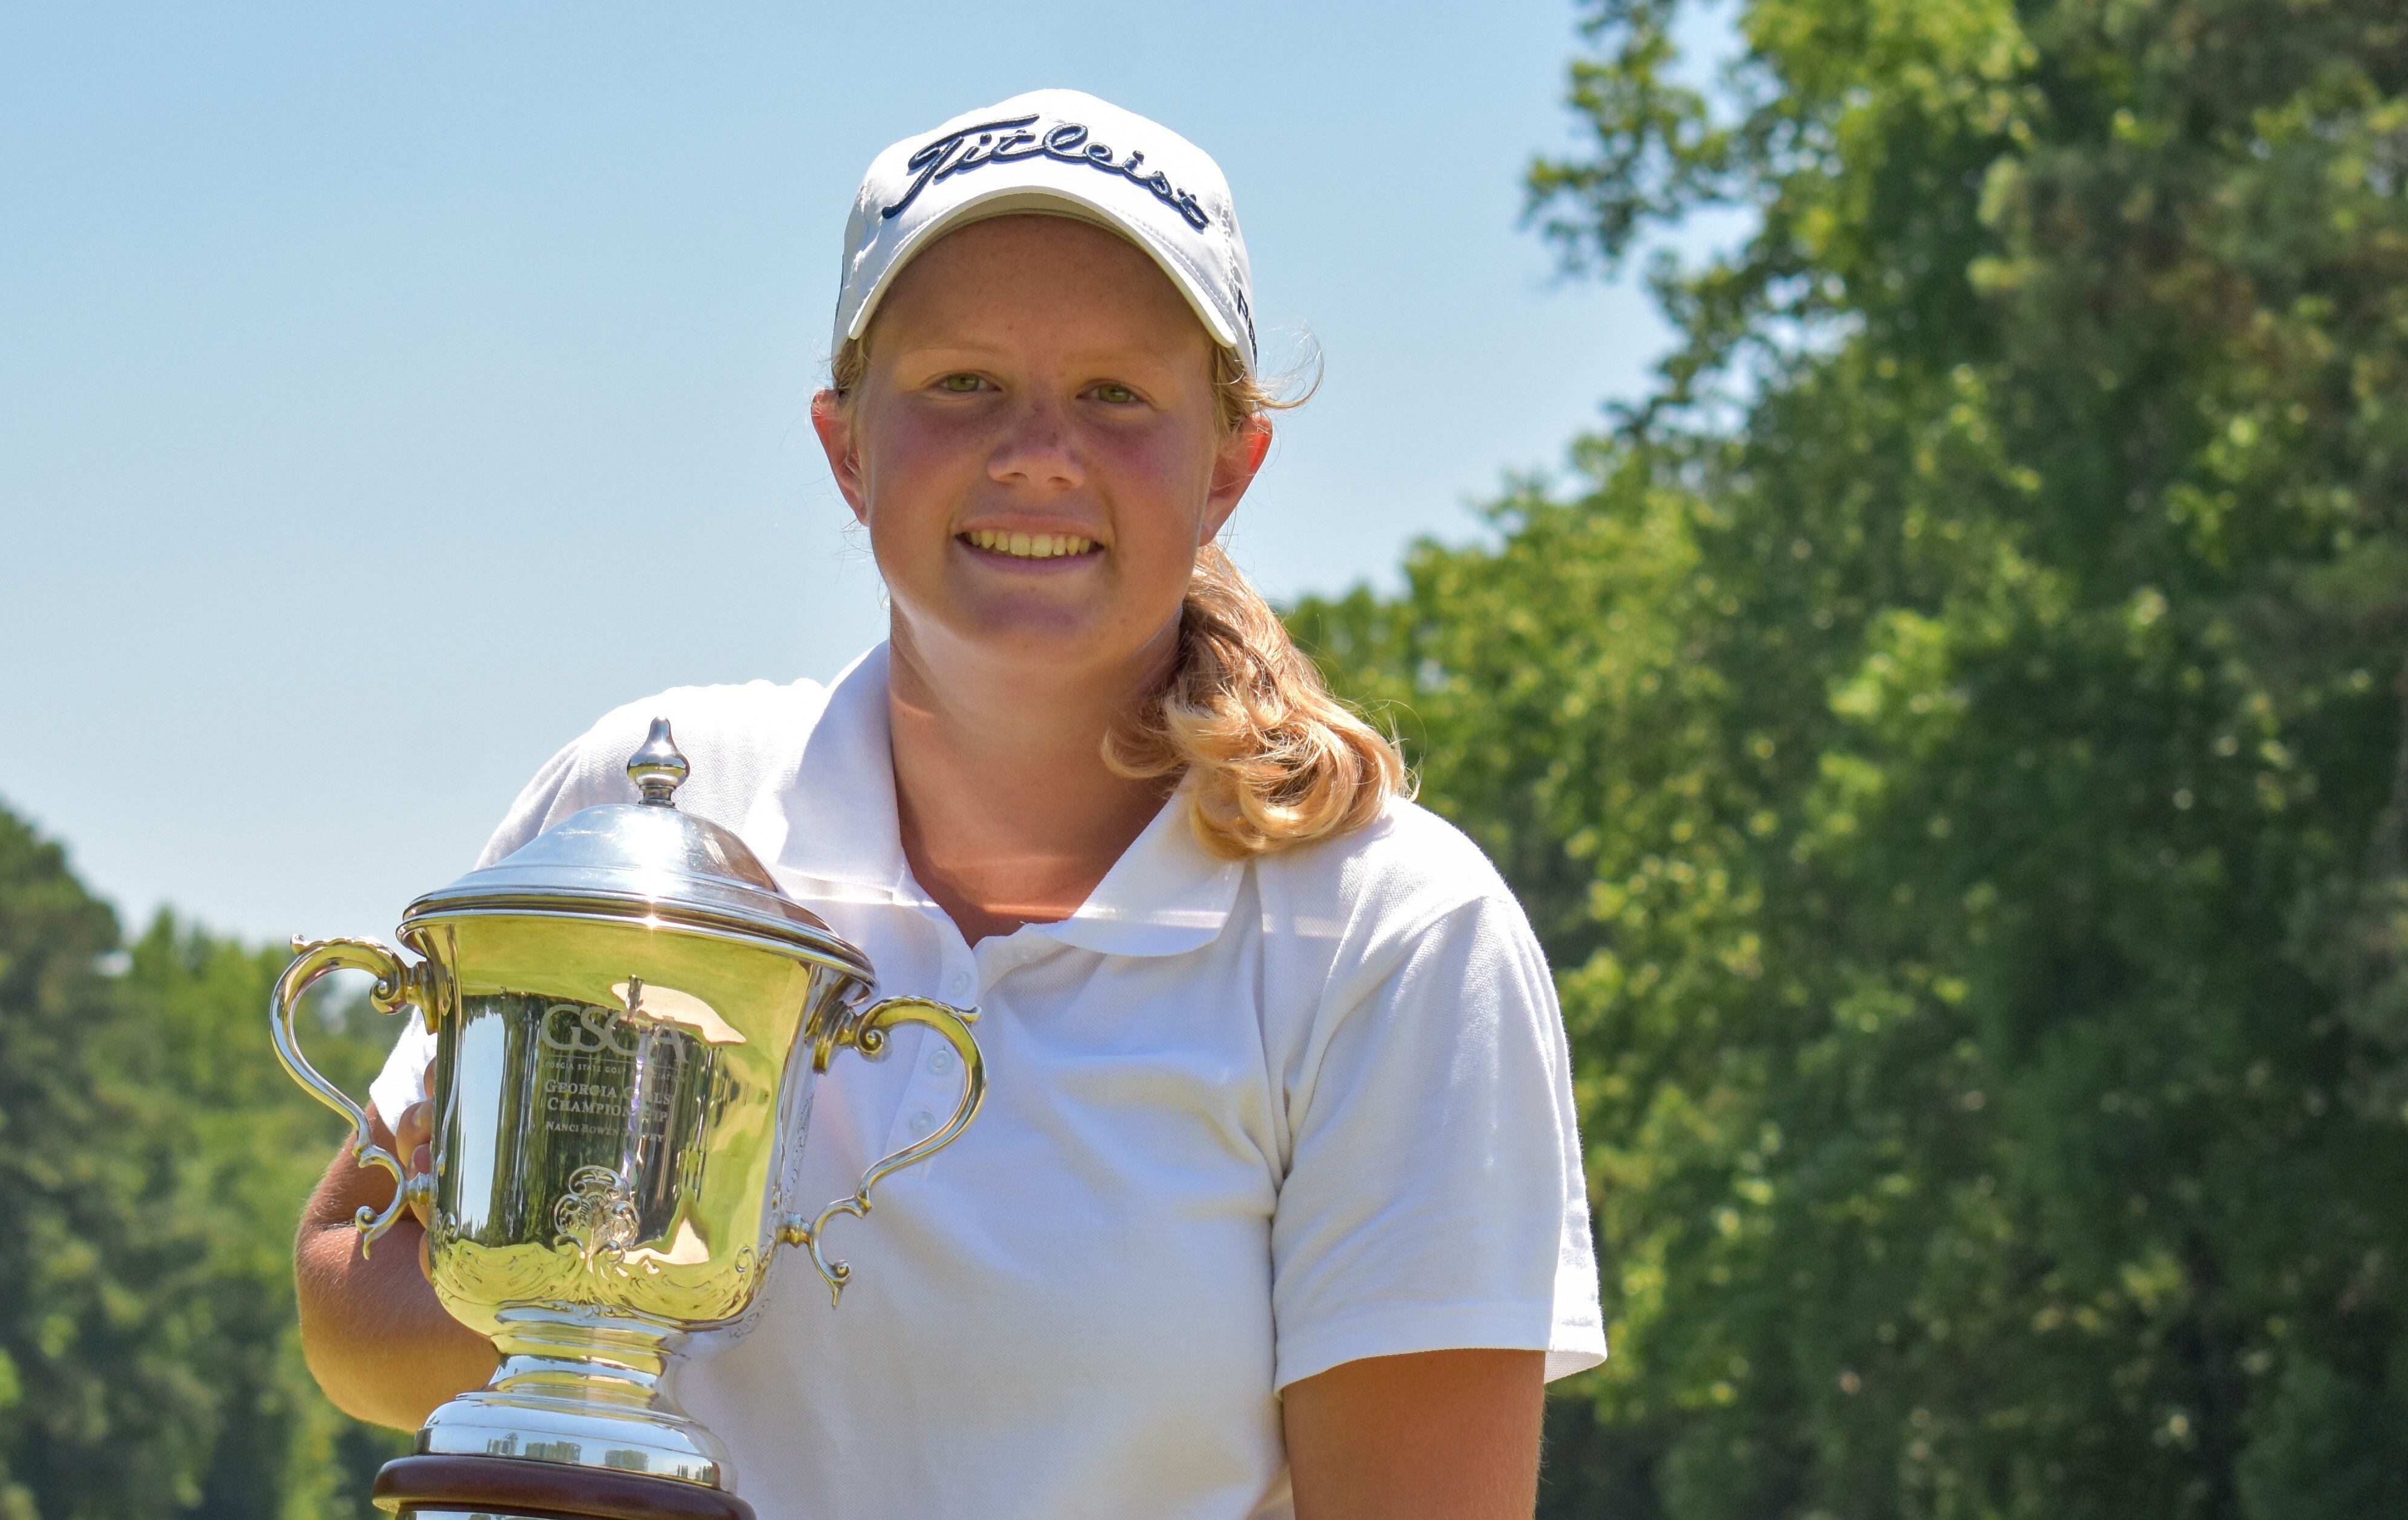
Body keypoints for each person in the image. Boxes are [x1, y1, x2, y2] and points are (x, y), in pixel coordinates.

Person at [294, 88, 1604, 1520]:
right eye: (962, 384)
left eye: (1116, 393)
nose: (1037, 449)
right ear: (842, 444)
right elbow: (355, 1318)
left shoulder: (1392, 932)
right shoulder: (654, 801)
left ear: (1230, 462)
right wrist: (614, 1233)